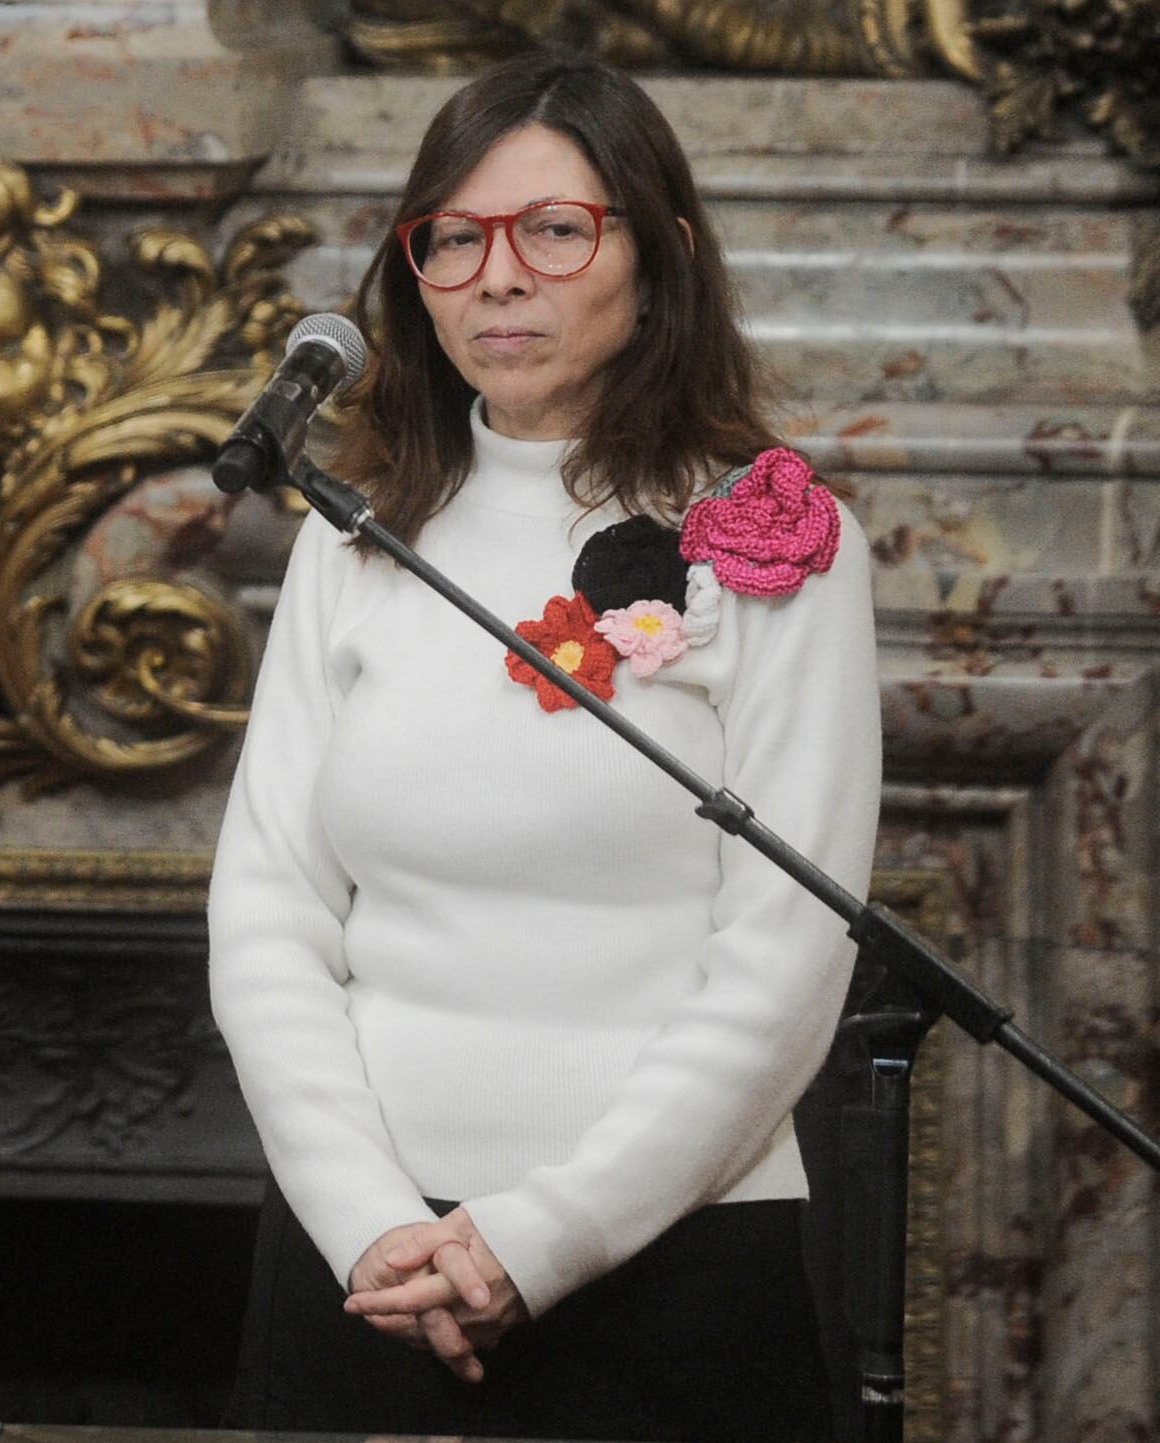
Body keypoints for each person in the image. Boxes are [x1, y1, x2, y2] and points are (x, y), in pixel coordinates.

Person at [207, 50, 881, 1443]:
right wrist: (369, 1221)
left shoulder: (769, 544)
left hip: (670, 1263)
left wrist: (538, 1237)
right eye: (452, 238)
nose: (496, 277)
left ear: (660, 257)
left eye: (554, 230)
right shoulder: (357, 537)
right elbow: (267, 909)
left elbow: (786, 954)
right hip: (365, 1273)